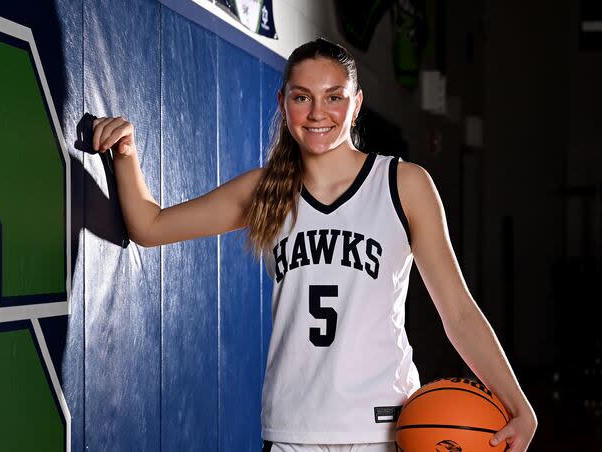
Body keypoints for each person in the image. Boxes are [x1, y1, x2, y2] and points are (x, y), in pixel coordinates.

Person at [91, 38, 537, 452]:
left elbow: (457, 312)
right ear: (283, 103)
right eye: (302, 96)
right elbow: (150, 227)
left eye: (334, 96)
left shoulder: (403, 184)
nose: (318, 112)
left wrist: (519, 405)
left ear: (357, 103)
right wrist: (127, 152)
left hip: (379, 427)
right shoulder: (265, 190)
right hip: (292, 427)